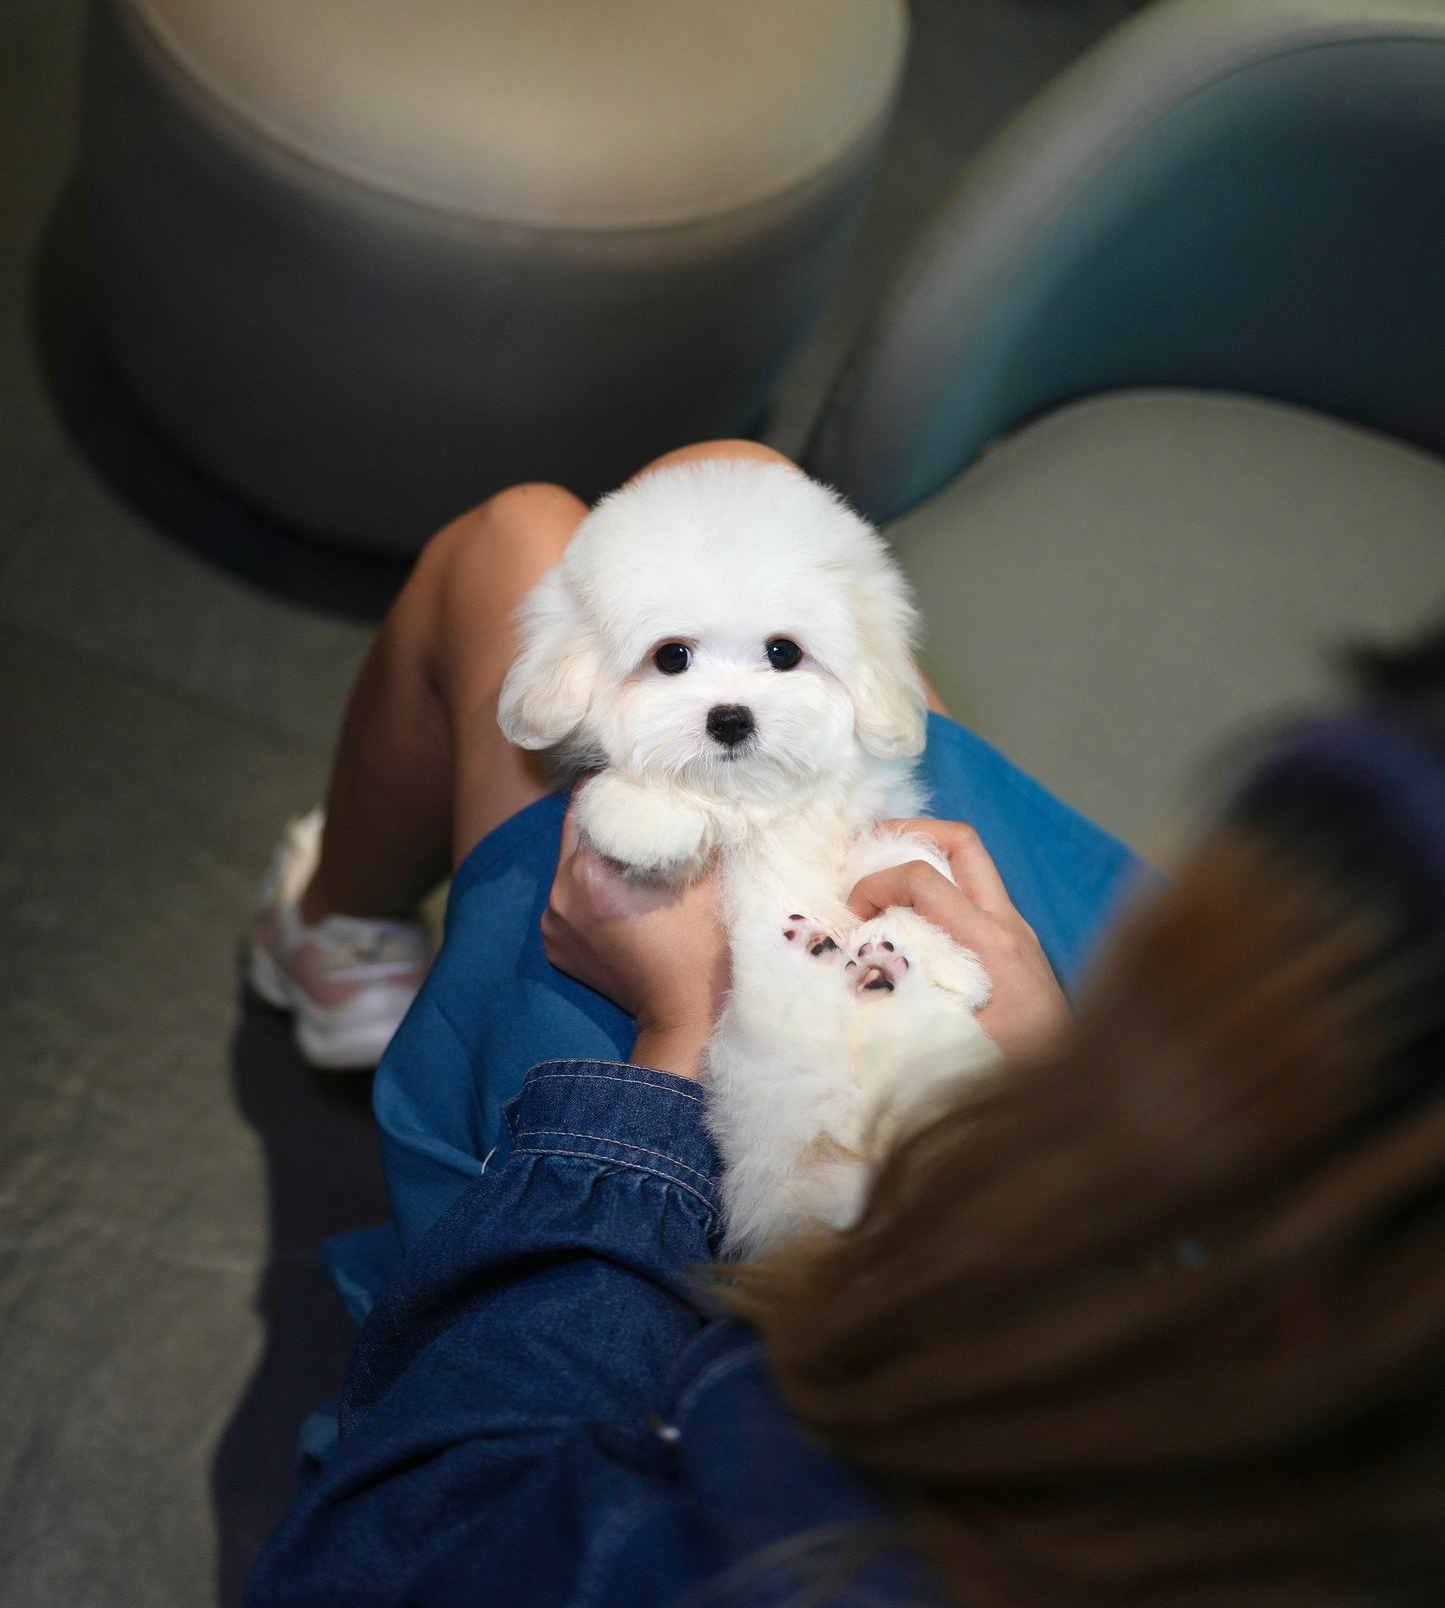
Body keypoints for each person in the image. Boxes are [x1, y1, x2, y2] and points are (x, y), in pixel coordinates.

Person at [246, 440, 1445, 1604]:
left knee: (507, 544)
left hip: (774, 1217)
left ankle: (333, 926)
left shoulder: (795, 1546)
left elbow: (398, 1546)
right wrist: (1047, 1077)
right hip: (1088, 1154)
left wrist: (675, 1034)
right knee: (737, 475)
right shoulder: (1332, 1418)